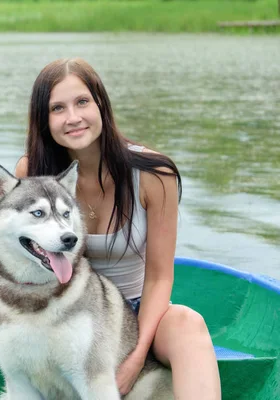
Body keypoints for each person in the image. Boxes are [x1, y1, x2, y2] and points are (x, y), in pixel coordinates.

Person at [13, 58, 221, 399]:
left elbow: (159, 278)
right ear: (44, 120)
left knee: (189, 325)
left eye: (82, 102)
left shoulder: (155, 175)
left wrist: (135, 357)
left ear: (100, 105)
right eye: (57, 108)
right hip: (67, 312)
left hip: (139, 313)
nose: (74, 117)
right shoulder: (33, 171)